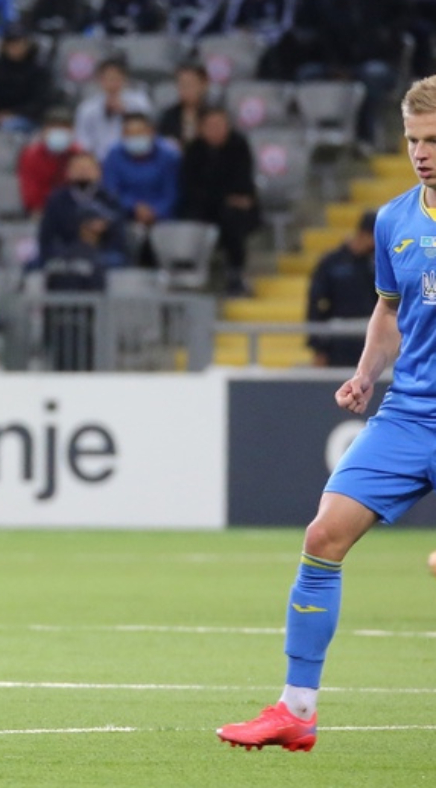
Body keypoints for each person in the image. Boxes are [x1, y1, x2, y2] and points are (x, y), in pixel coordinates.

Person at [216, 75, 436, 753]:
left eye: (433, 140)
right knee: (323, 536)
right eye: (413, 140)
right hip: (410, 414)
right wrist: (366, 373)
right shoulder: (395, 220)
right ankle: (297, 709)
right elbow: (390, 310)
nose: (421, 153)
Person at [178, 106, 259, 296]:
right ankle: (191, 272)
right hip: (203, 207)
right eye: (211, 125)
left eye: (221, 125)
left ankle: (236, 273)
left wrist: (223, 196)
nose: (217, 130)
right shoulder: (193, 151)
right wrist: (221, 196)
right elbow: (191, 187)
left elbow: (242, 186)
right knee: (191, 216)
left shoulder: (239, 146)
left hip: (233, 209)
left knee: (233, 217)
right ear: (201, 128)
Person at [34, 206, 124, 371]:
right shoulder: (94, 260)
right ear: (85, 226)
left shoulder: (57, 259)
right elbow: (99, 299)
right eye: (99, 222)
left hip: (57, 333)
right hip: (84, 336)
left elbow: (47, 297)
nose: (104, 227)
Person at [307, 211, 378, 368]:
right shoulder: (332, 263)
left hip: (369, 336)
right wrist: (318, 347)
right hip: (338, 337)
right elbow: (315, 304)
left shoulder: (376, 264)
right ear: (364, 234)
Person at [101, 112, 179, 246]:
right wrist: (133, 207)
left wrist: (156, 211)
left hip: (162, 218)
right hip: (126, 217)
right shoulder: (113, 155)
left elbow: (172, 192)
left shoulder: (169, 156)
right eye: (129, 133)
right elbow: (111, 190)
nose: (135, 137)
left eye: (139, 132)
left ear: (152, 132)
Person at [38, 151, 128, 264]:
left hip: (102, 255)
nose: (83, 172)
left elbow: (119, 238)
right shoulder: (57, 200)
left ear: (98, 172)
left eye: (87, 168)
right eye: (78, 168)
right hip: (67, 254)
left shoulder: (110, 199)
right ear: (68, 172)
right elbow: (47, 237)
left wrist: (104, 229)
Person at [73, 57, 151, 161]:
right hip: (98, 160)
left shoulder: (139, 102)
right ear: (99, 80)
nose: (113, 84)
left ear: (125, 79)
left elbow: (147, 130)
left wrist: (126, 111)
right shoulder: (87, 108)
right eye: (108, 79)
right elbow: (82, 138)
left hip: (132, 159)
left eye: (116, 79)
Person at [0, 23, 53, 132]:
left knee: (8, 127)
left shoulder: (39, 70)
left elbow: (40, 103)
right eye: (11, 44)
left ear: (28, 45)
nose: (15, 47)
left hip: (28, 118)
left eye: (19, 43)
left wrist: (12, 114)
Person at [17, 107, 81, 215]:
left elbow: (86, 189)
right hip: (42, 211)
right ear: (43, 131)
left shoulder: (78, 153)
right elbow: (31, 195)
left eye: (64, 128)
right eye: (54, 127)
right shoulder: (31, 155)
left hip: (74, 211)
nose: (59, 132)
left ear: (72, 131)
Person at [156, 62, 210, 147]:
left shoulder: (213, 115)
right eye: (181, 84)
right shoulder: (168, 116)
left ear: (203, 85)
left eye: (190, 84)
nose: (185, 89)